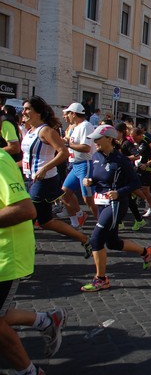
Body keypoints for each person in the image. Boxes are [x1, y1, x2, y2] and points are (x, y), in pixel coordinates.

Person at [0, 148, 66, 374]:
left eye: (28, 110)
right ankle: (46, 320)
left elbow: (26, 209)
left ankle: (29, 371)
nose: (24, 114)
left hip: (6, 256)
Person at [80, 125, 151, 291]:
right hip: (101, 202)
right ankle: (145, 252)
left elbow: (135, 183)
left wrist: (119, 192)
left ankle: (101, 279)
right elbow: (95, 176)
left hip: (116, 204)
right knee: (112, 242)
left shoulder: (121, 160)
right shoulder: (96, 156)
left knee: (96, 239)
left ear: (109, 139)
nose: (95, 142)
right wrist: (89, 180)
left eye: (98, 139)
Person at [20, 96, 92, 257]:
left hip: (43, 181)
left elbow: (63, 152)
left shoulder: (46, 131)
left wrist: (45, 168)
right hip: (30, 179)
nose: (23, 112)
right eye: (23, 108)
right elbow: (27, 157)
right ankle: (84, 239)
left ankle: (26, 253)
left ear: (37, 112)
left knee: (27, 219)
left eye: (27, 109)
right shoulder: (30, 131)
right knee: (46, 221)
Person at [60, 102, 98, 227]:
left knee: (88, 199)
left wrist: (68, 144)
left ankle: (101, 223)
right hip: (75, 165)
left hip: (85, 164)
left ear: (74, 114)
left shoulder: (86, 126)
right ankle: (76, 221)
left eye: (68, 113)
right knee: (64, 194)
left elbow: (86, 148)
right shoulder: (75, 127)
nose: (67, 116)